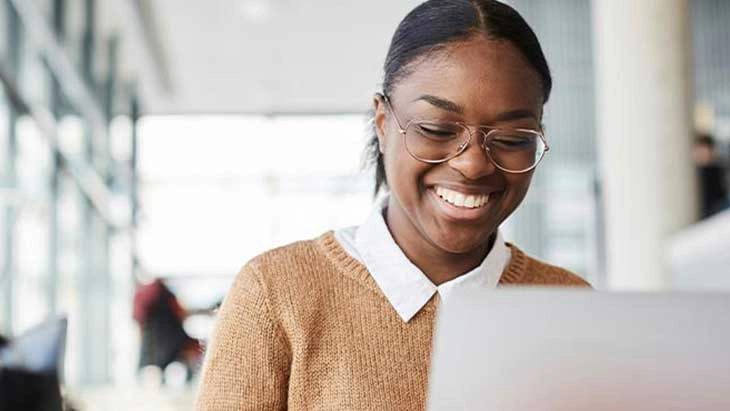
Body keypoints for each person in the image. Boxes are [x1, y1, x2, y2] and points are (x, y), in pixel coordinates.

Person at [196, 0, 591, 409]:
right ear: (383, 124)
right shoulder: (276, 294)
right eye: (436, 129)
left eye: (512, 138)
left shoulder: (572, 306)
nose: (472, 164)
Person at [693, 133, 729, 218]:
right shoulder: (695, 172)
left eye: (703, 149)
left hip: (716, 209)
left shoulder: (716, 168)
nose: (700, 153)